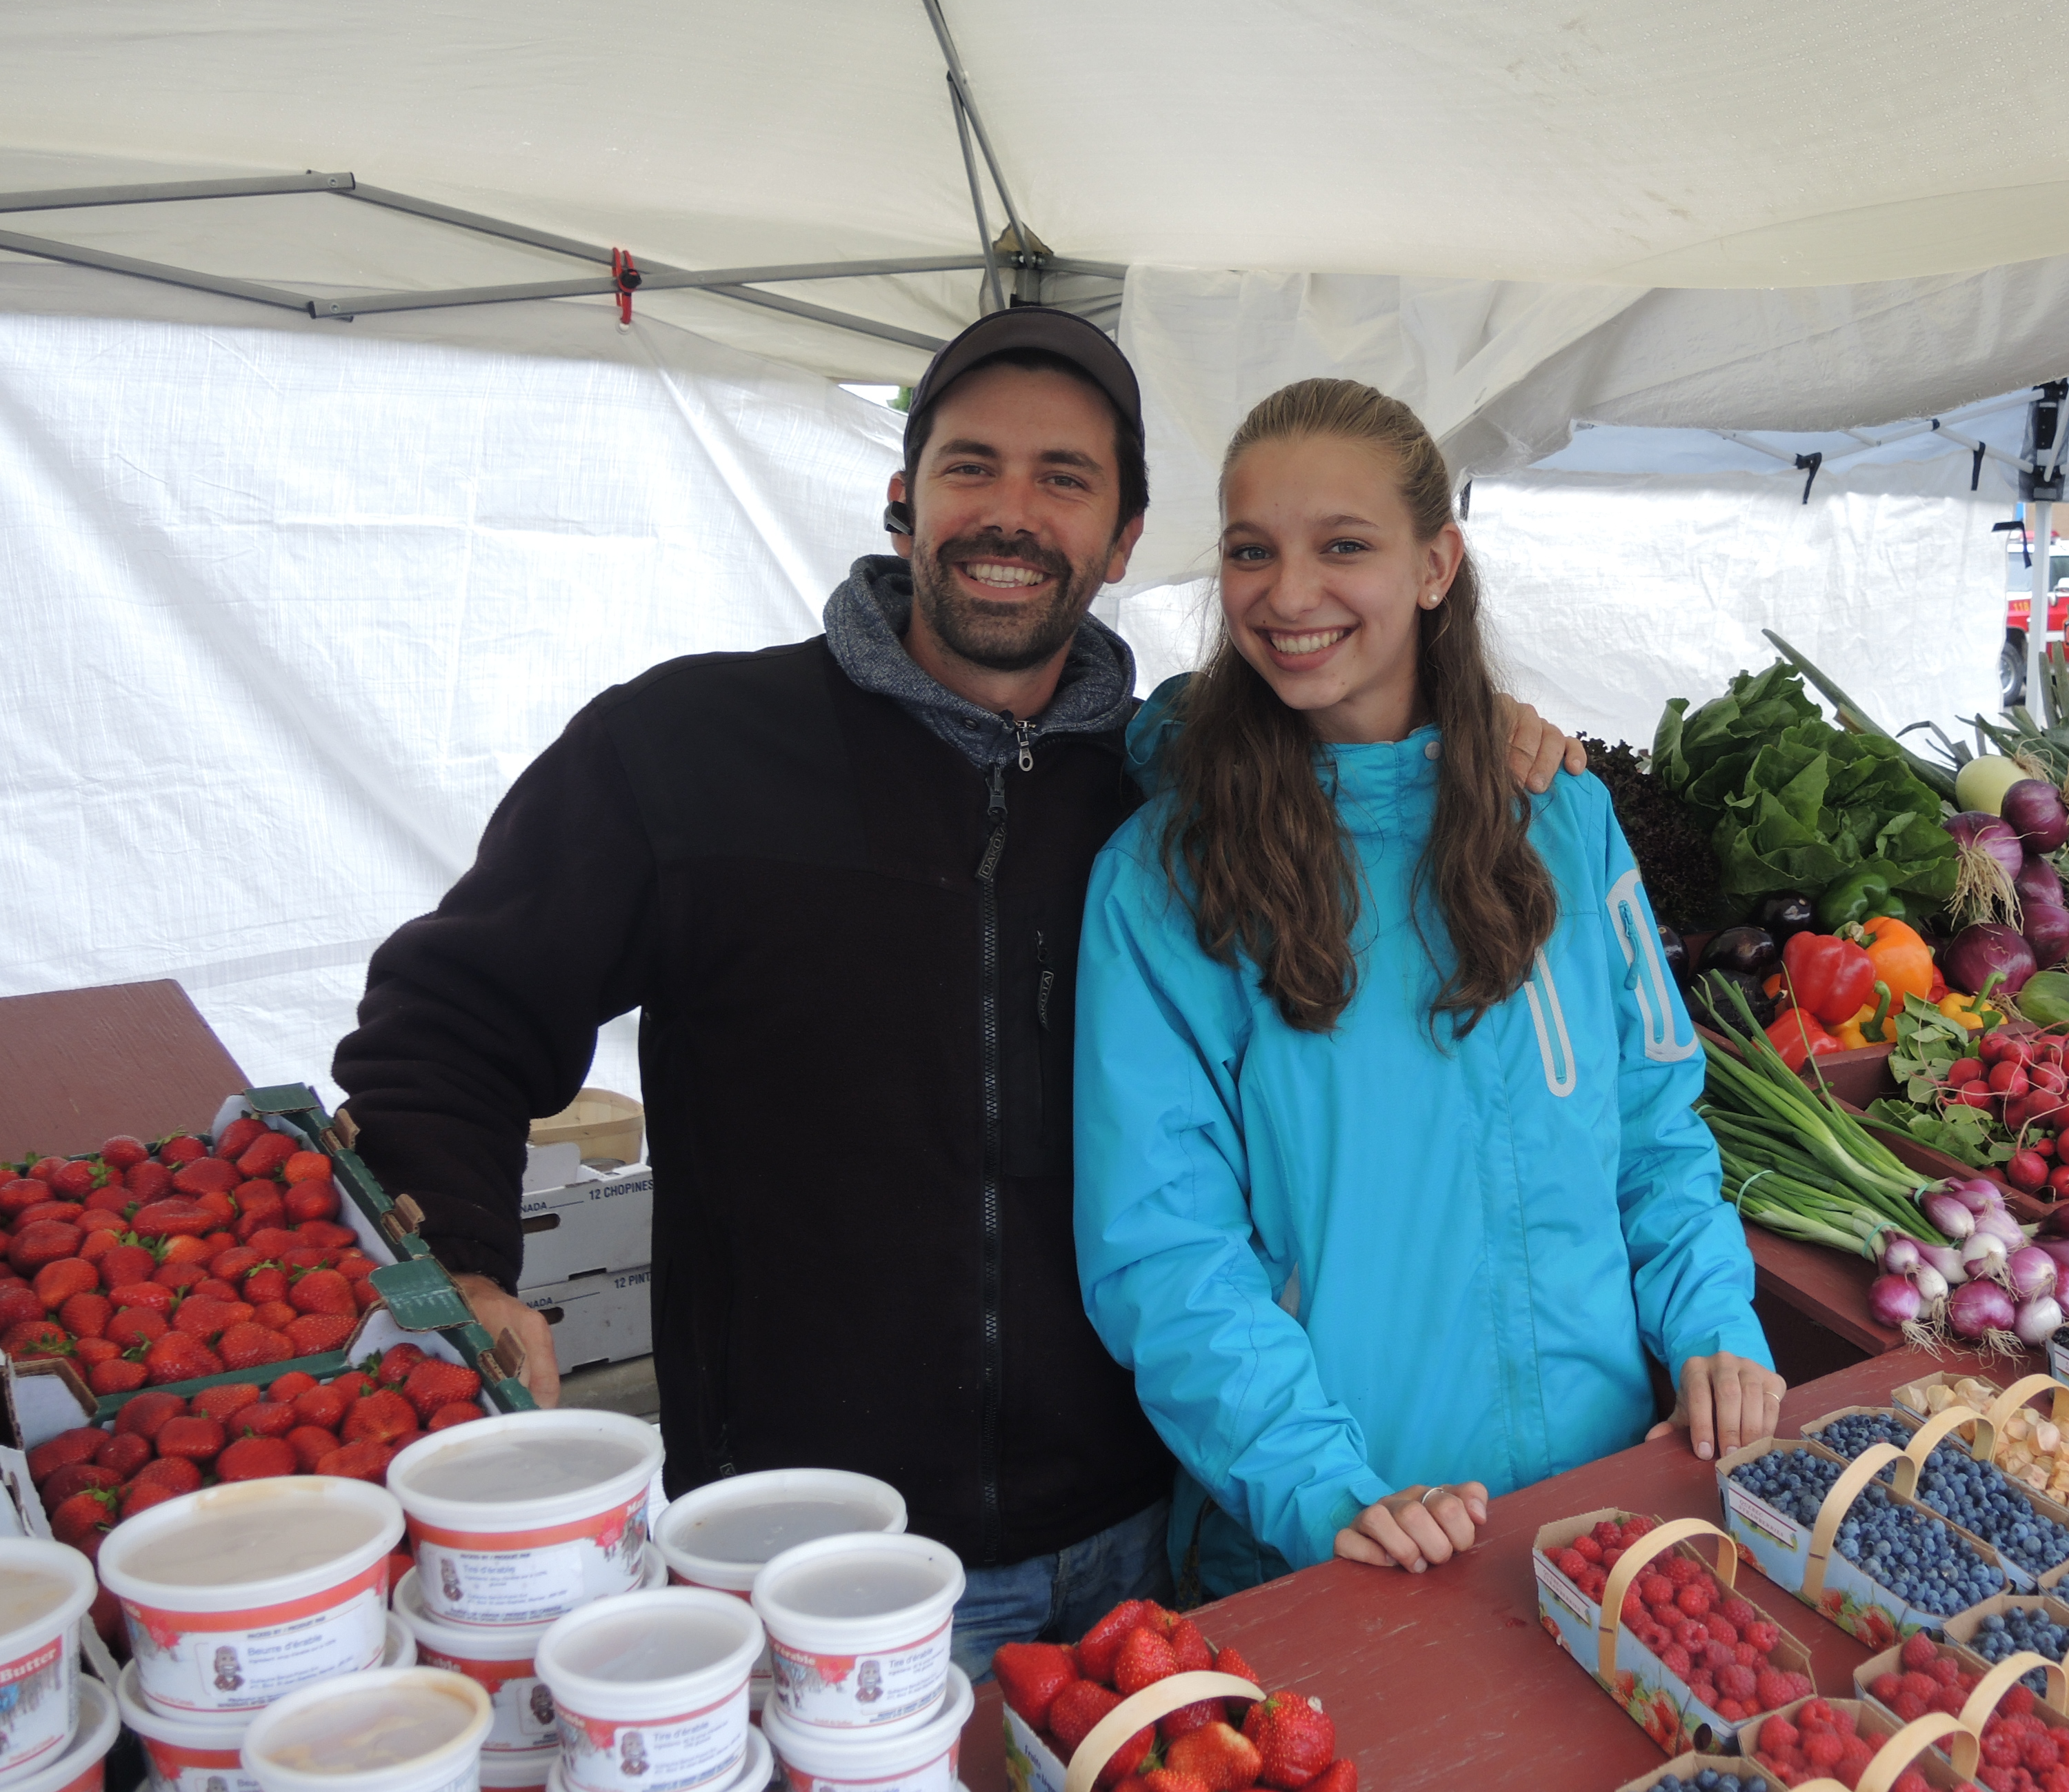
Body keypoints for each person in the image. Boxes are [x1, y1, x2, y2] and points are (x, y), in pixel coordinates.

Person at [332, 310, 1583, 1676]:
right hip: (808, 1545)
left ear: (1120, 542)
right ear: (900, 498)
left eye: (1065, 478)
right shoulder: (684, 752)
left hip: (1140, 1528)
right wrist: (462, 1261)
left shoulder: (1181, 789)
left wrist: (1482, 731)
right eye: (969, 466)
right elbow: (454, 1014)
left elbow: (1374, 747)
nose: (1010, 512)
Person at [1072, 377, 1781, 1602]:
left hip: (1599, 1509)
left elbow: (1657, 1133)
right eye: (1252, 551)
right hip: (1342, 1542)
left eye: (1343, 545)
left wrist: (1713, 1325)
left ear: (1436, 564)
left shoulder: (1563, 818)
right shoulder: (1165, 881)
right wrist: (1319, 1490)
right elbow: (1167, 1252)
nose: (1289, 594)